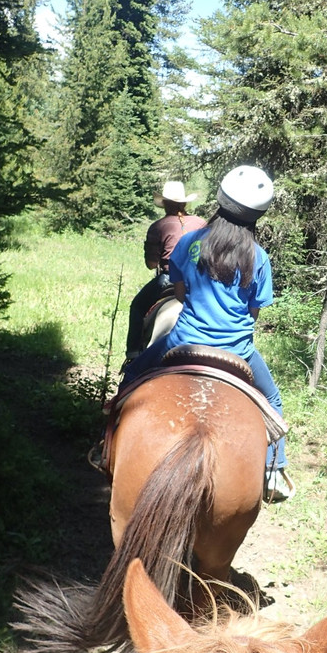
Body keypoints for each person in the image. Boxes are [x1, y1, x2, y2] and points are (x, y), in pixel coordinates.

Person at [120, 165, 295, 502]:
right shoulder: (259, 258)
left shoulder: (190, 243)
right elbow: (254, 312)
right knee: (272, 400)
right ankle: (275, 471)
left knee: (132, 376)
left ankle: (106, 441)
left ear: (221, 199)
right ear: (258, 213)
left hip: (182, 340)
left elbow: (181, 294)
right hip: (238, 351)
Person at [123, 181, 207, 362]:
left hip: (168, 279)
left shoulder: (158, 226)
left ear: (165, 204)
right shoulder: (202, 223)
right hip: (200, 281)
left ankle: (133, 354)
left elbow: (152, 264)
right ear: (184, 203)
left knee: (137, 307)